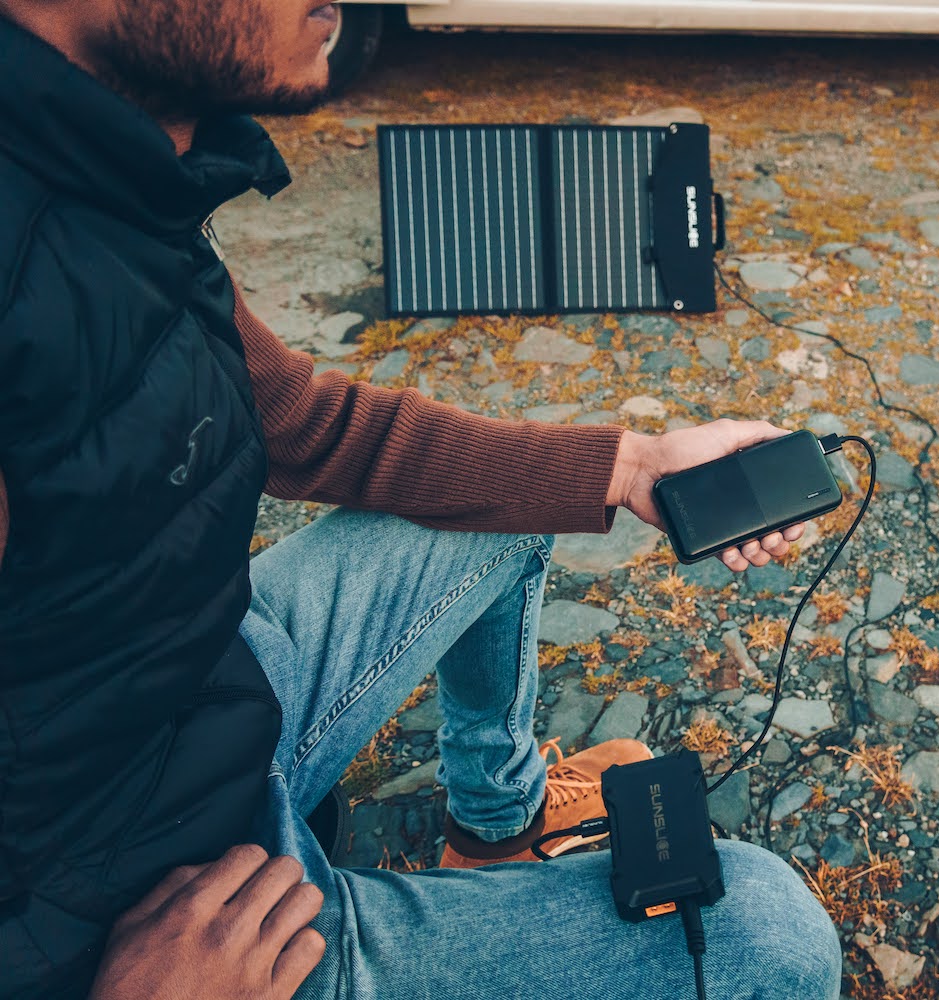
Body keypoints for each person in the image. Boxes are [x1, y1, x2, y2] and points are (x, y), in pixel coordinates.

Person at [0, 2, 845, 997]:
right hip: (163, 915)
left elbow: (311, 427)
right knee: (771, 934)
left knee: (521, 497)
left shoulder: (115, 179)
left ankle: (496, 824)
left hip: (205, 696)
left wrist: (633, 466)